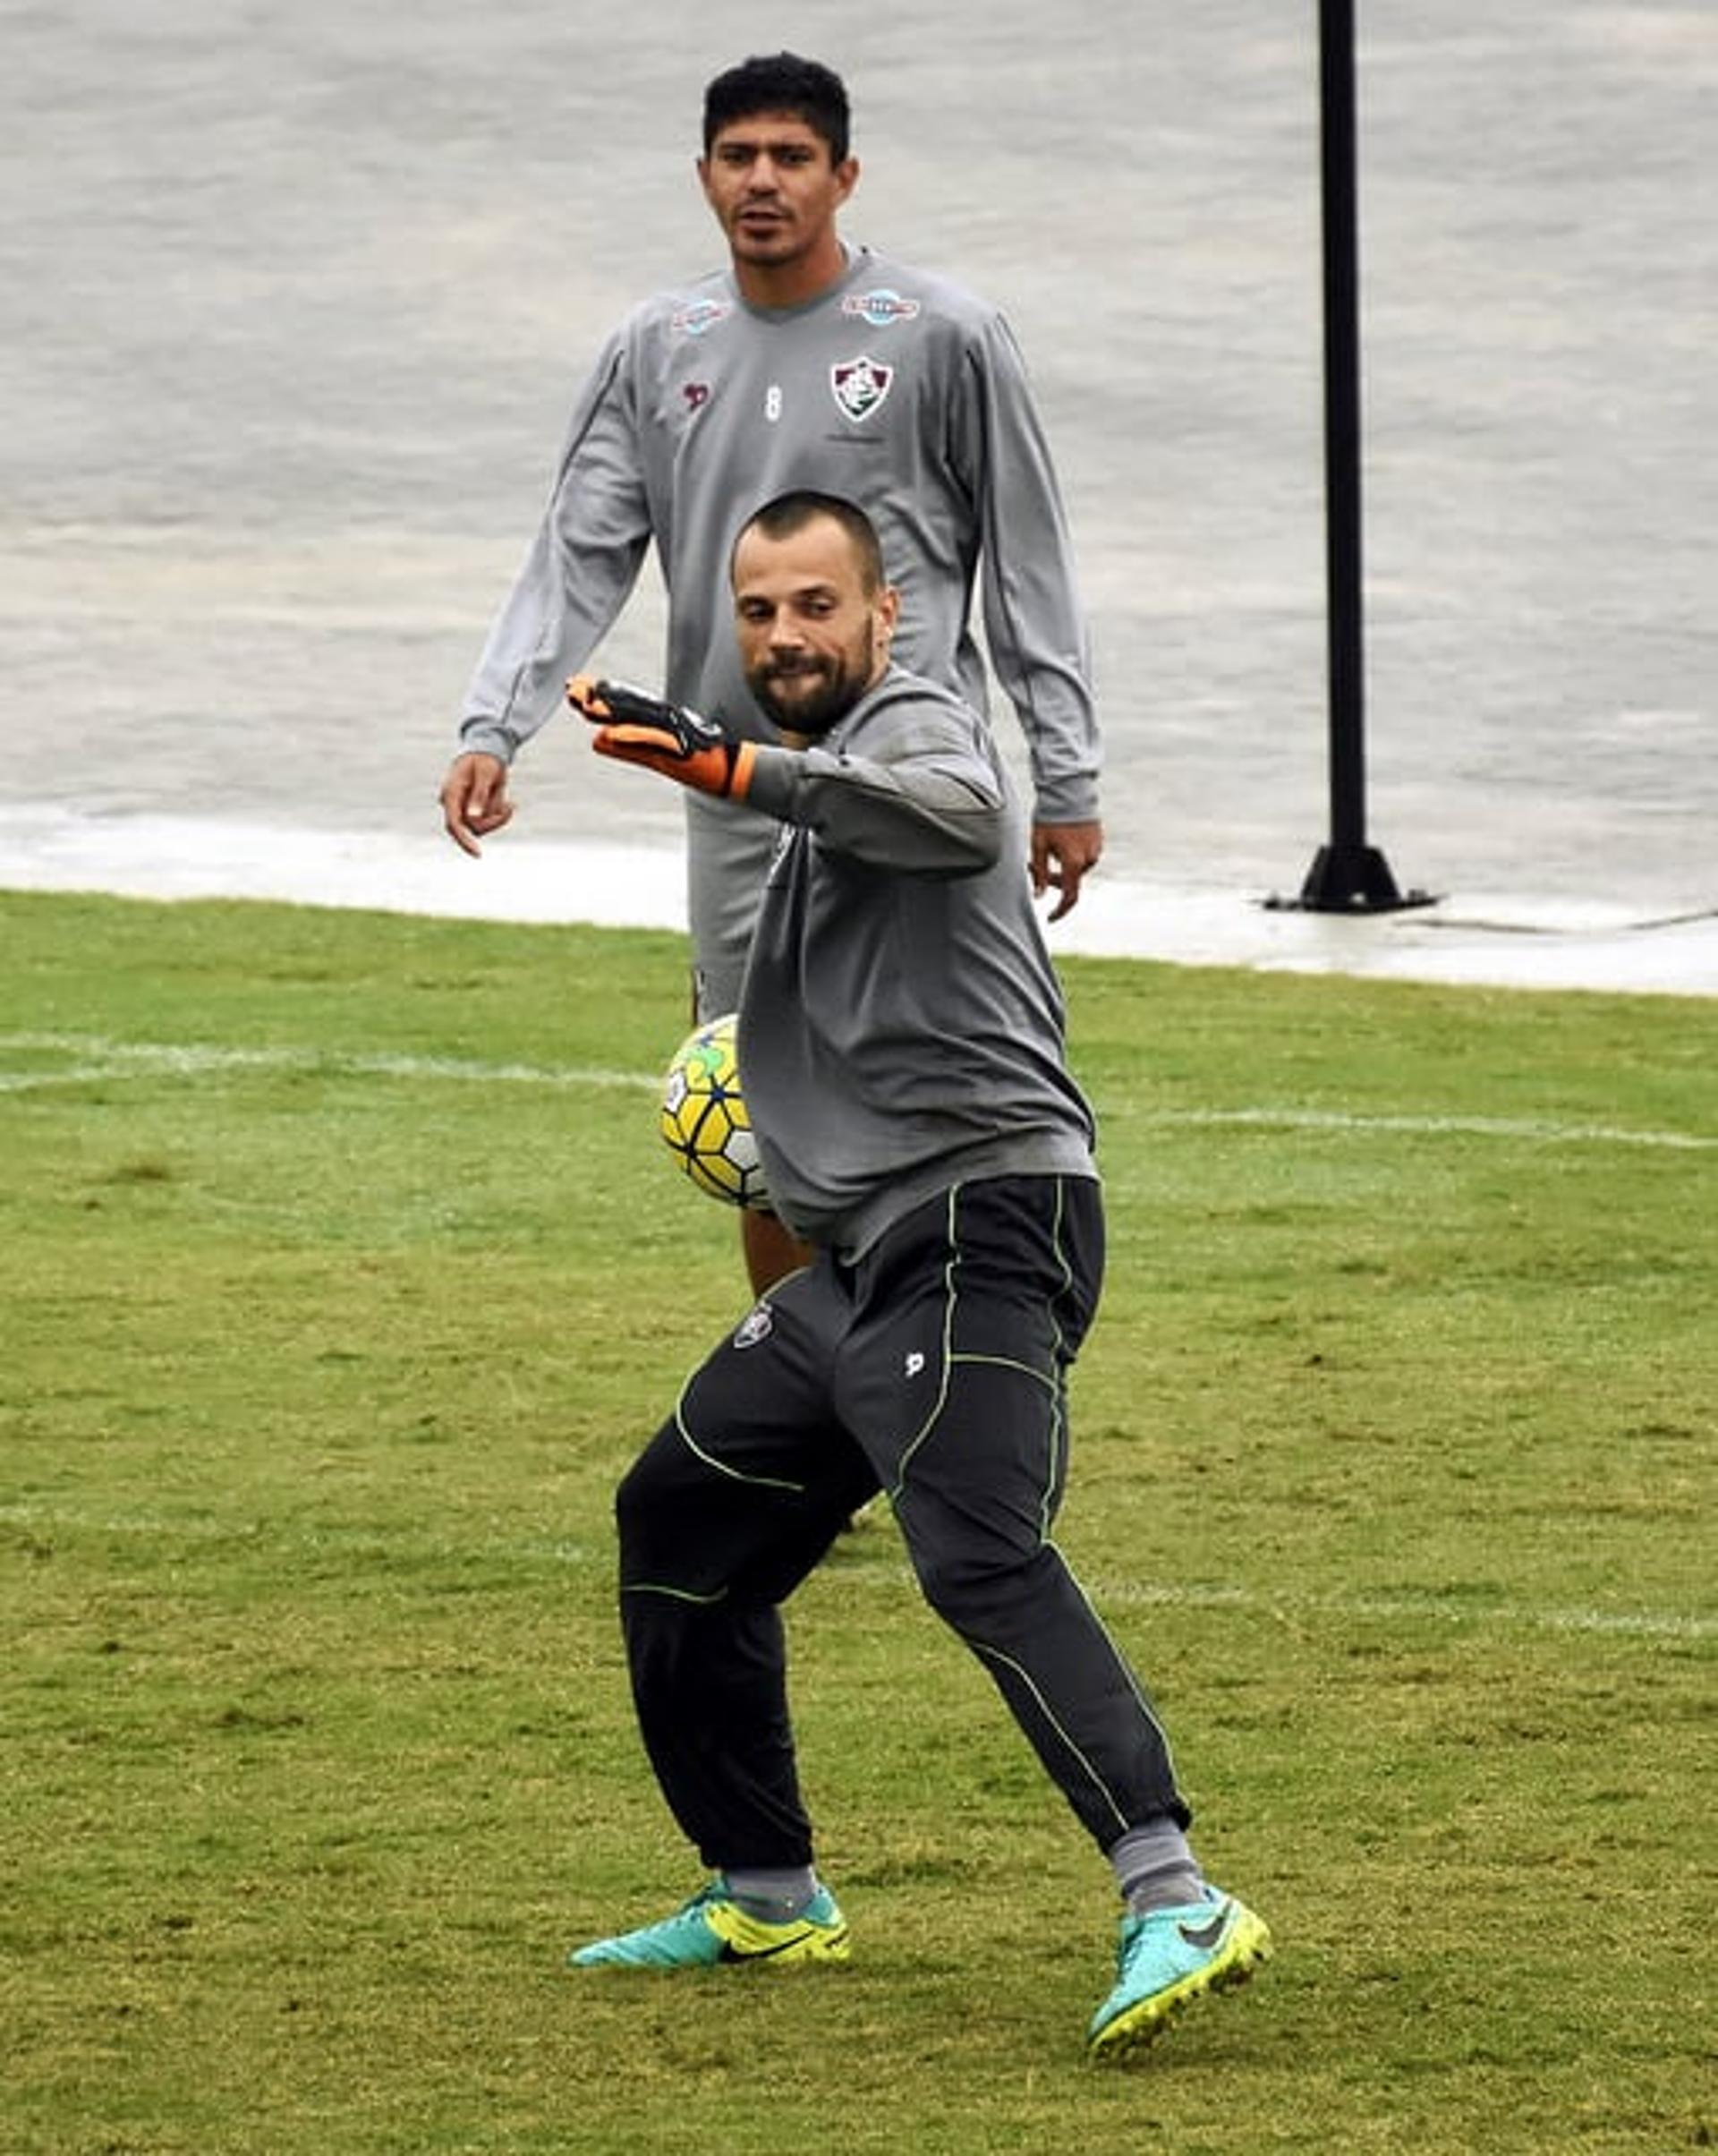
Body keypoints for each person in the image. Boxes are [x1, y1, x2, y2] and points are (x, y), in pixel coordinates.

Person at [561, 491, 1270, 2059]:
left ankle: (1176, 1888)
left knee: (976, 1550)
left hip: (984, 1221)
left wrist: (726, 762)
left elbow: (958, 818)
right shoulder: (813, 806)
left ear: (886, 617)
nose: (784, 637)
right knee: (680, 1513)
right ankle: (763, 1885)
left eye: (816, 605)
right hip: (868, 1257)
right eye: (757, 613)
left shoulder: (924, 726)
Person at [438, 52, 1104, 1295]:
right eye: (738, 157)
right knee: (765, 1118)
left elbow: (1030, 563)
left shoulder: (944, 336)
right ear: (701, 176)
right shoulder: (658, 345)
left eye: (792, 158)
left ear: (845, 176)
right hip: (740, 803)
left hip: (911, 784)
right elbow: (579, 548)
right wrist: (497, 722)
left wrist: (1064, 777)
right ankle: (814, 1413)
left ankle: (951, 1361)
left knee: (938, 1092)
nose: (763, 181)